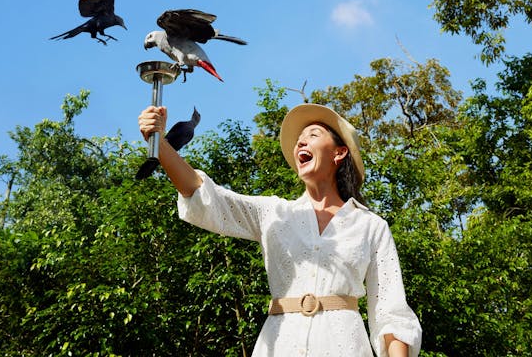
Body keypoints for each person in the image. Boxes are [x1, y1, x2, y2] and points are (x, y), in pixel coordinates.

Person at [138, 103, 422, 356]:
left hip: (344, 344)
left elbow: (390, 311)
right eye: (299, 140)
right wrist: (160, 145)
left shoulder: (371, 226)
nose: (301, 142)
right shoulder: (274, 213)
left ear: (339, 152)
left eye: (313, 135)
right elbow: (207, 198)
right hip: (280, 342)